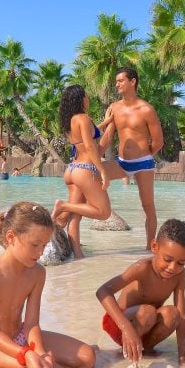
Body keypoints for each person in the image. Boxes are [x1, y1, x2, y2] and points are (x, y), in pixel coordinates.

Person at [0, 201, 96, 368]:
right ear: (11, 237)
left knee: (87, 358)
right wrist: (25, 354)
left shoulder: (37, 273)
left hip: (20, 336)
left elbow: (31, 325)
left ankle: (24, 366)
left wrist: (41, 353)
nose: (40, 252)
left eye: (44, 245)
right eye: (35, 244)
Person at [95, 219, 185, 366]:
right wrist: (126, 328)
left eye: (181, 263)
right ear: (154, 246)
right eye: (167, 259)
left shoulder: (179, 275)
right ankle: (127, 349)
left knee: (172, 314)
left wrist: (183, 358)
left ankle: (144, 349)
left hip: (146, 325)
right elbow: (103, 291)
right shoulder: (142, 268)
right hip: (120, 325)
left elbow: (182, 316)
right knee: (148, 312)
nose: (172, 268)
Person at [99, 67, 165, 250]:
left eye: (120, 80)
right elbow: (107, 137)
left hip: (143, 163)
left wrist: (144, 155)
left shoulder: (146, 109)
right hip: (121, 163)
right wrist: (93, 157)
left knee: (148, 206)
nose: (117, 84)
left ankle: (149, 248)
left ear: (133, 81)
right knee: (91, 175)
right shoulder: (114, 107)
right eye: (116, 81)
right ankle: (102, 212)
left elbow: (159, 141)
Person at [52, 84, 113, 258]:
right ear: (80, 99)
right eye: (86, 96)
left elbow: (88, 134)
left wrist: (106, 123)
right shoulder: (83, 118)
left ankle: (78, 255)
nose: (89, 99)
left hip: (72, 169)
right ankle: (63, 205)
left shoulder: (70, 120)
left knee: (75, 216)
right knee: (104, 212)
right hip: (85, 170)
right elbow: (89, 145)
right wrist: (102, 171)